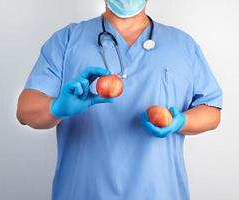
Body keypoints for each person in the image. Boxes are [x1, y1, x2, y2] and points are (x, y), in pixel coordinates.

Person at [16, 0, 223, 199]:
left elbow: (211, 111)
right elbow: (25, 111)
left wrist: (181, 122)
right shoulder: (67, 40)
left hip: (161, 193)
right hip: (82, 193)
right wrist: (57, 108)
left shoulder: (182, 45)